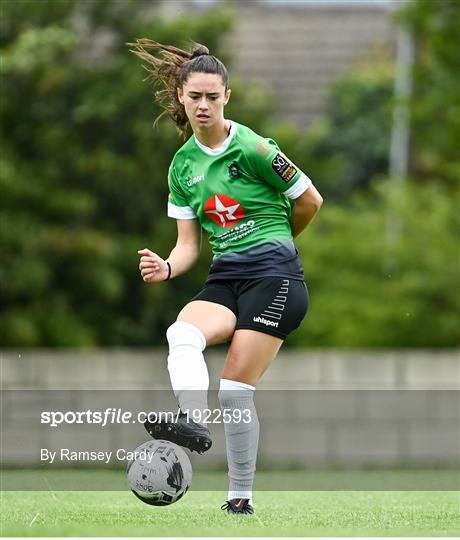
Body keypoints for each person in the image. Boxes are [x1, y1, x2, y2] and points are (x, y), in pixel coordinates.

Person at [129, 39, 323, 515]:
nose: (203, 105)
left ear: (226, 98)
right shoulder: (182, 167)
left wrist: (279, 241)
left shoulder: (256, 148)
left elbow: (310, 200)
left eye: (212, 97)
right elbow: (189, 244)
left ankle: (240, 499)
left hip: (276, 279)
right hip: (227, 277)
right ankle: (193, 421)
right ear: (180, 95)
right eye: (194, 96)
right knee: (182, 333)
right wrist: (169, 266)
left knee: (235, 391)